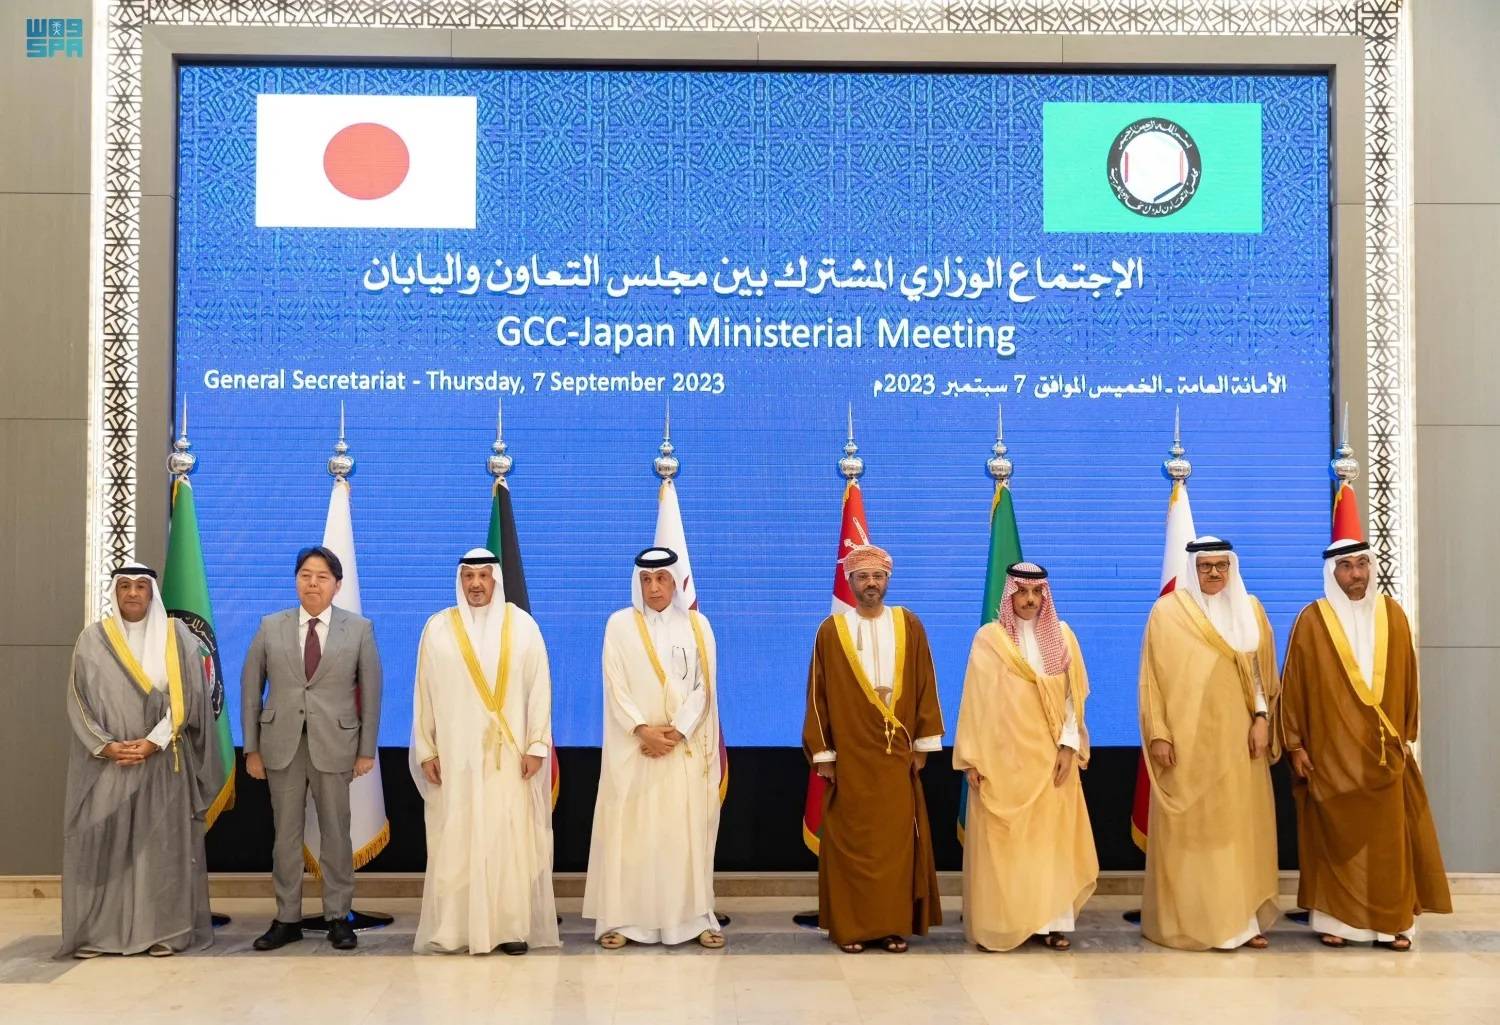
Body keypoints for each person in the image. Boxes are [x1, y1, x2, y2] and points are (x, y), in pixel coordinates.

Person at [1280, 539, 1451, 950]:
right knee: (1333, 839)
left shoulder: (1393, 615)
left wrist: (1405, 733)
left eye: (1362, 564)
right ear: (1332, 573)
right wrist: (1295, 744)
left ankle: (1393, 924)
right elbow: (1293, 686)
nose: (1356, 574)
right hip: (1329, 753)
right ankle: (1337, 922)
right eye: (1346, 567)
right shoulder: (1311, 620)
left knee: (1389, 840)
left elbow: (1408, 679)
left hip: (1383, 753)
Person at [58, 563, 226, 959]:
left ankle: (165, 932)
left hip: (163, 763)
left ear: (152, 592)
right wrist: (107, 746)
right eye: (125, 586)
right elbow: (78, 701)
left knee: (160, 851)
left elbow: (191, 698)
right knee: (107, 848)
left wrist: (154, 741)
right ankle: (101, 934)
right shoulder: (92, 640)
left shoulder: (176, 636)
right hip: (110, 764)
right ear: (115, 592)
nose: (132, 593)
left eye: (140, 586)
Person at [410, 549, 558, 954]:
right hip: (454, 758)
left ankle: (510, 929)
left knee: (508, 839)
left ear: (496, 579)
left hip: (507, 759)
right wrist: (426, 749)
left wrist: (536, 745)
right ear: (460, 580)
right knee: (455, 839)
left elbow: (539, 687)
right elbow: (423, 692)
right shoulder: (438, 628)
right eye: (468, 576)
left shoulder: (522, 626)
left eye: (483, 576)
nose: (475, 584)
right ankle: (456, 929)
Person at [1138, 536, 1280, 951]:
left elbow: (1260, 674)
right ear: (1192, 569)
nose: (1214, 573)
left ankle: (1242, 923)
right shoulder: (1167, 612)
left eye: (1221, 565)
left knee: (1238, 831)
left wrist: (1261, 718)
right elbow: (1152, 679)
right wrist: (1159, 732)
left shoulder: (1249, 608)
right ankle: (1192, 922)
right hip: (1186, 743)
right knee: (1193, 836)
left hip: (1239, 740)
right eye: (1205, 566)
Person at [802, 543, 944, 954]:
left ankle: (892, 926)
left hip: (897, 757)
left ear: (887, 580)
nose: (871, 583)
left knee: (894, 845)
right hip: (849, 758)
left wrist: (923, 745)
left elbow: (925, 684)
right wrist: (824, 754)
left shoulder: (909, 624)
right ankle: (852, 929)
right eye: (862, 576)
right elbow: (818, 696)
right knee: (852, 844)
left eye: (877, 576)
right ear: (849, 582)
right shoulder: (832, 630)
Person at [242, 545, 381, 951]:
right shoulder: (270, 626)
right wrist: (252, 749)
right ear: (296, 581)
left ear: (337, 584)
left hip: (336, 746)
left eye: (322, 577)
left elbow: (371, 693)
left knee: (336, 834)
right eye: (305, 575)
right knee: (285, 836)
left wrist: (366, 750)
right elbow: (251, 690)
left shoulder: (359, 629)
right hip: (280, 747)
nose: (313, 583)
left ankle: (338, 916)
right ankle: (287, 919)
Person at [584, 547, 725, 949]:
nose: (654, 587)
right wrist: (642, 730)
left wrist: (677, 732)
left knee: (683, 836)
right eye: (646, 580)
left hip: (682, 750)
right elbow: (615, 684)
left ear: (675, 582)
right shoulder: (619, 625)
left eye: (661, 578)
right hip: (635, 751)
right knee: (632, 836)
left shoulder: (697, 625)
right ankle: (626, 922)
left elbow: (704, 686)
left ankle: (692, 920)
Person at [952, 562, 1097, 952]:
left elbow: (1074, 698)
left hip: (1051, 760)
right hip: (1002, 761)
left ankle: (1052, 923)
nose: (1030, 600)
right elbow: (975, 701)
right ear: (1010, 595)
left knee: (1050, 844)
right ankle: (1006, 924)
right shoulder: (990, 639)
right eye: (1022, 592)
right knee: (1007, 846)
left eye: (1036, 593)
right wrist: (972, 759)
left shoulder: (1063, 636)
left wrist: (1068, 746)